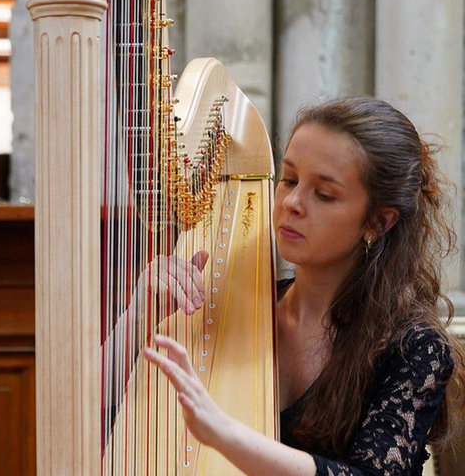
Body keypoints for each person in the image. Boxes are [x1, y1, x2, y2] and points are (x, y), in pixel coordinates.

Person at [145, 96, 465, 475]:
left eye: (324, 194)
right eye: (290, 179)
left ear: (378, 223)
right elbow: (87, 405)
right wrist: (141, 314)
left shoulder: (414, 347)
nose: (292, 203)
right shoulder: (233, 307)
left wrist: (225, 433)